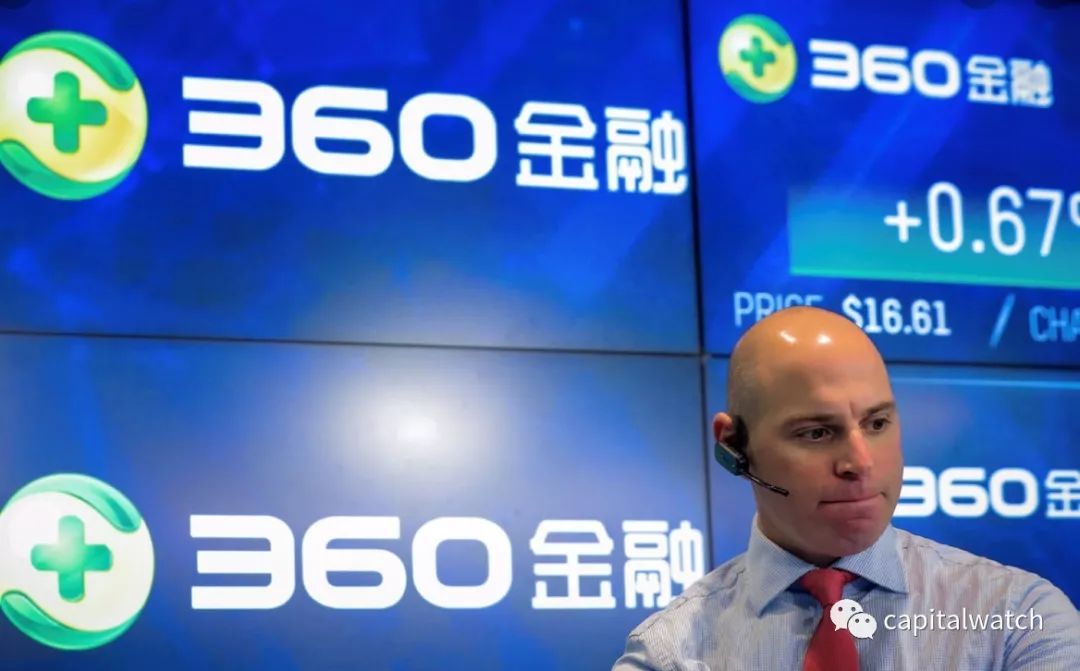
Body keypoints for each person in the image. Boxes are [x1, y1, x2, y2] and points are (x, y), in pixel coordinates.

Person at [612, 306, 1080, 670]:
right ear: (734, 444)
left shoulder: (1018, 617)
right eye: (816, 433)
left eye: (876, 423)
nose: (860, 462)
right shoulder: (669, 655)